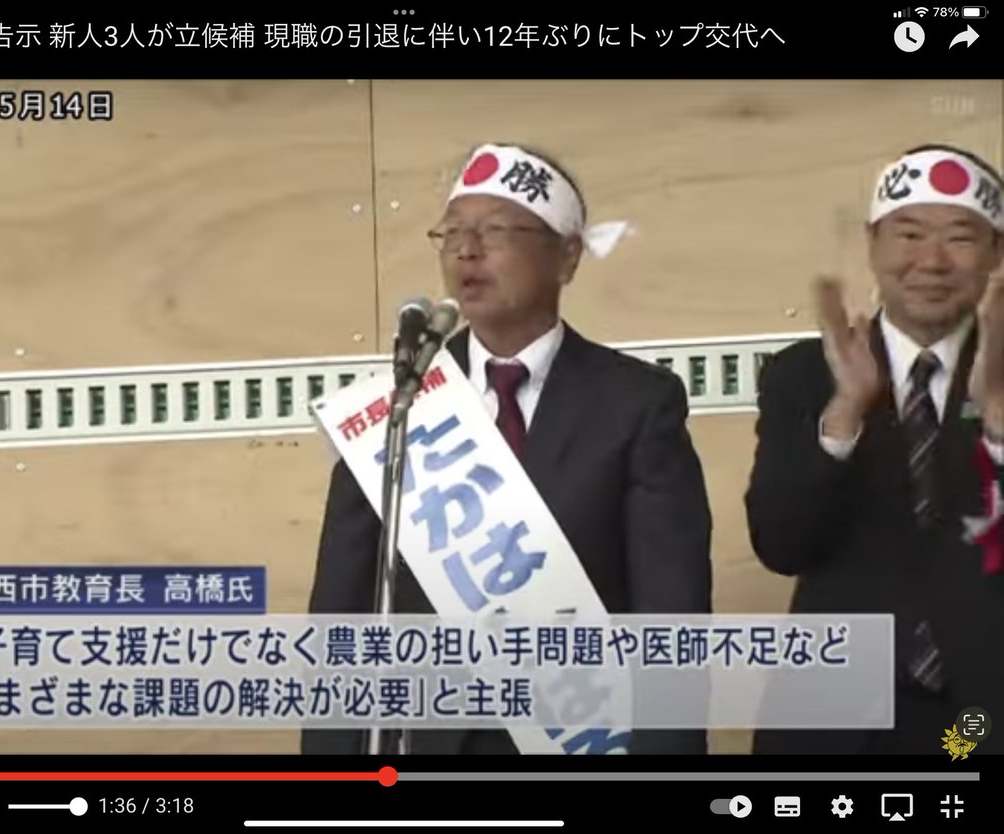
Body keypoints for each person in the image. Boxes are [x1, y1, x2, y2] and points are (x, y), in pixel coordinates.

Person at [302, 142, 714, 755]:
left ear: (566, 257)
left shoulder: (636, 405)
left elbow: (672, 622)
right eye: (452, 232)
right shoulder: (399, 405)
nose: (467, 250)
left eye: (495, 230)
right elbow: (341, 618)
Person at [745, 143, 1004, 755]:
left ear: (996, 251)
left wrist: (997, 433)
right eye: (908, 234)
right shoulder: (803, 375)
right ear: (872, 244)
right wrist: (843, 414)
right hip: (832, 717)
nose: (931, 261)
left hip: (979, 719)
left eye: (960, 238)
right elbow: (780, 546)